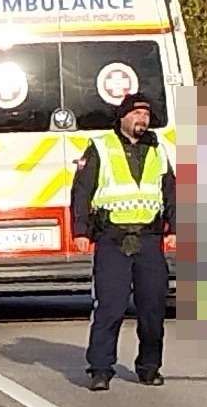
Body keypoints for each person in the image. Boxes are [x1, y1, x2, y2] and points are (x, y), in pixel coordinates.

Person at [69, 92, 173, 390]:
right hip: (112, 239)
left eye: (146, 115)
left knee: (153, 308)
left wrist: (176, 227)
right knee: (110, 307)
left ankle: (149, 367)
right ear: (123, 117)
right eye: (137, 114)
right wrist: (80, 231)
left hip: (149, 239)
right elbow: (82, 192)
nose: (143, 119)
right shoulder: (101, 147)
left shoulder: (158, 150)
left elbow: (171, 192)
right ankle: (101, 369)